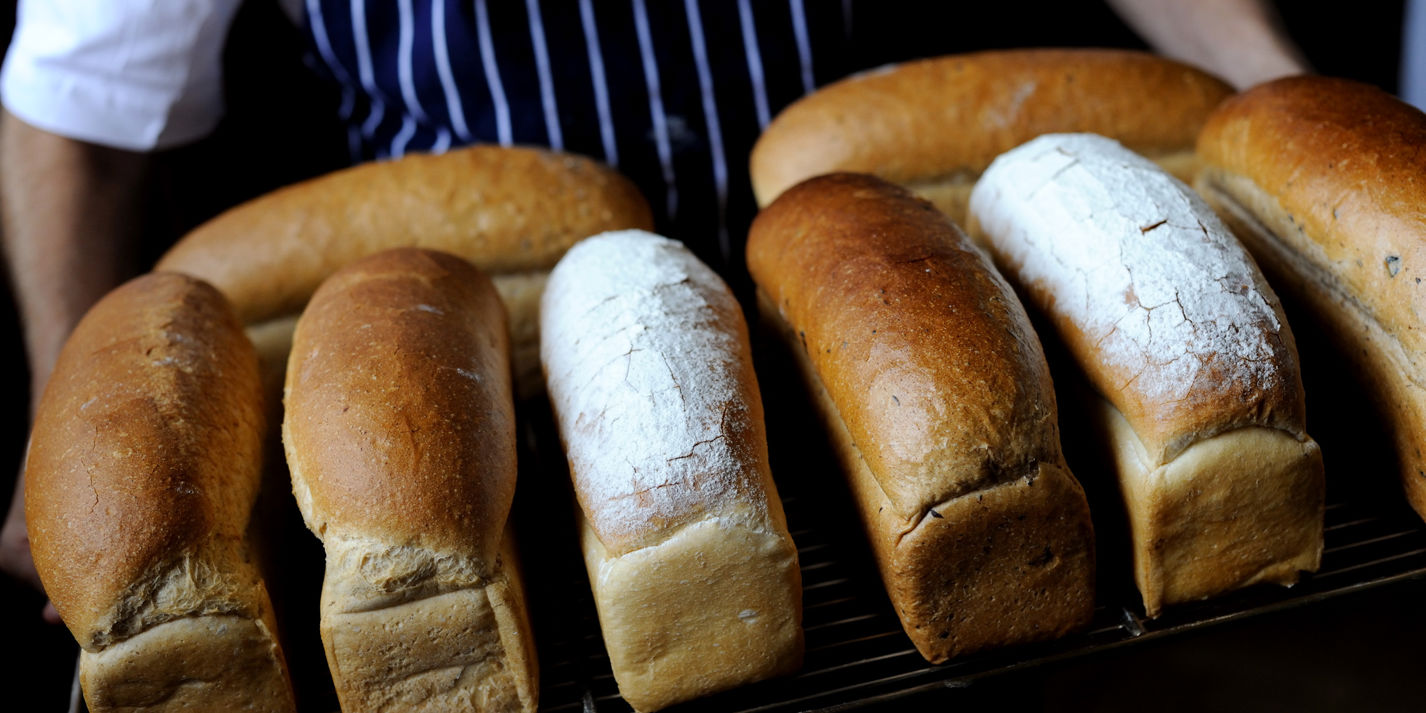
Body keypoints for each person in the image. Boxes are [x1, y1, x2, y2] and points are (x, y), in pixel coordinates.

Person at [0, 0, 1310, 616]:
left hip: (874, 315)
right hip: (468, 394)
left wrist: (1291, 119)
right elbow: (84, 113)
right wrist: (74, 427)